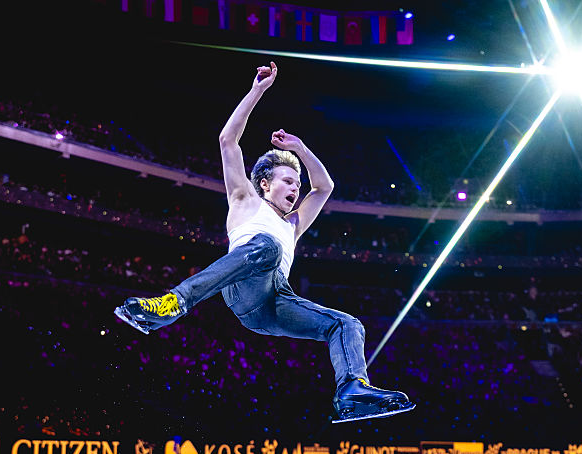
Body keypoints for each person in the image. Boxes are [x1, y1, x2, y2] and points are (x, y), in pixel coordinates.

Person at [114, 61, 414, 423]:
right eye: (288, 181)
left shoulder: (294, 224)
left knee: (348, 324)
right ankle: (172, 304)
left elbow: (324, 187)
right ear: (265, 184)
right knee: (268, 248)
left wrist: (301, 148)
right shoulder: (244, 199)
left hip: (275, 304)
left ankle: (352, 391)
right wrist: (258, 90)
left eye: (297, 184)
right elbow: (228, 141)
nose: (295, 188)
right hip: (243, 288)